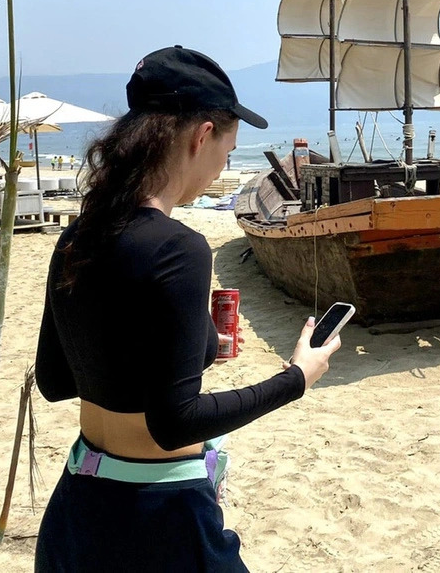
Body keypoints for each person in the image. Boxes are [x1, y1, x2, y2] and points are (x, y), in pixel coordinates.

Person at [34, 46, 342, 571]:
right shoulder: (179, 247)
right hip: (161, 518)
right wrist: (297, 377)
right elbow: (174, 423)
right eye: (227, 151)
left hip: (78, 509)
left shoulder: (80, 234)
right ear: (202, 136)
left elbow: (56, 378)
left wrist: (184, 349)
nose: (223, 164)